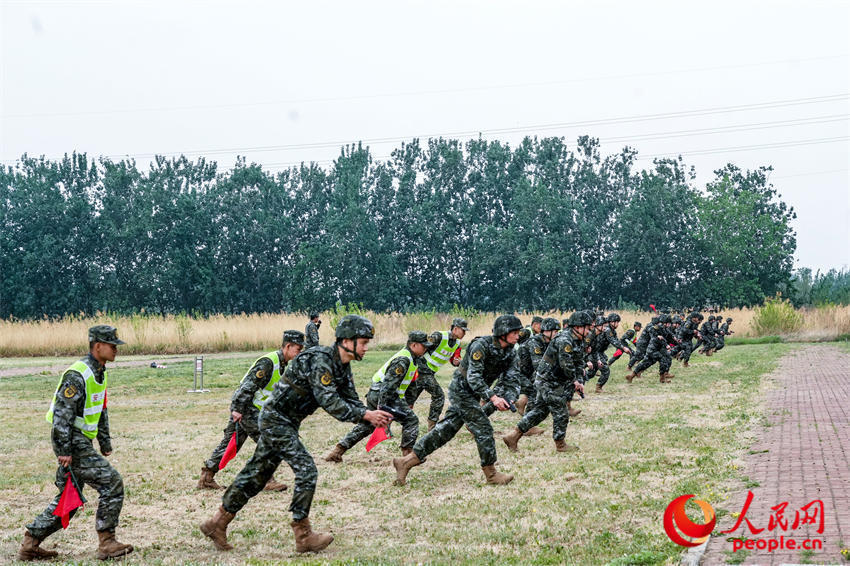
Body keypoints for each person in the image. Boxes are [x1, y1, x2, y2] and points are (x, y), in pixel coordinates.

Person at [200, 315, 392, 554]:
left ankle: (217, 522)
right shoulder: (321, 360)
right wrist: (365, 416)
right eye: (363, 342)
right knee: (306, 470)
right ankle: (303, 534)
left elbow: (350, 399)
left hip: (284, 422)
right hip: (276, 420)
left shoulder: (341, 366)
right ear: (346, 340)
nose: (366, 347)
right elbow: (329, 401)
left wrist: (372, 413)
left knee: (257, 474)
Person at [19, 325, 134, 561]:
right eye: (112, 345)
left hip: (83, 442)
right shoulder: (77, 374)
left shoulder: (100, 372)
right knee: (112, 483)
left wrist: (105, 441)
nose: (115, 349)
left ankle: (31, 542)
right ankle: (107, 542)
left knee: (69, 501)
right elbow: (61, 416)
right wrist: (63, 451)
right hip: (73, 442)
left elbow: (100, 409)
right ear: (97, 346)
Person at [391, 315, 523, 487]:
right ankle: (491, 474)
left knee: (445, 430)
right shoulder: (481, 346)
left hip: (473, 394)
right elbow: (473, 377)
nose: (518, 336)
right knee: (483, 428)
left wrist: (510, 399)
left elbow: (513, 379)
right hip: (461, 390)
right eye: (514, 332)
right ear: (503, 333)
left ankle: (406, 462)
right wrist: (493, 397)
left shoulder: (511, 352)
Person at [197, 330, 306, 491]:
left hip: (253, 409)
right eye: (298, 349)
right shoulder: (269, 363)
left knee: (230, 444)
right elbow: (247, 386)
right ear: (288, 346)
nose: (299, 353)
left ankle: (206, 477)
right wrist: (237, 409)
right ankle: (266, 480)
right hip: (247, 408)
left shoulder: (282, 364)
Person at [325, 331, 432, 461]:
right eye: (423, 346)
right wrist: (382, 407)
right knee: (411, 420)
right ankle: (408, 455)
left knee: (368, 425)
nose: (426, 348)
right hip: (383, 394)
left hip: (376, 393)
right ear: (413, 345)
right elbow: (388, 386)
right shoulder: (403, 360)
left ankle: (338, 451)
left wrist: (408, 402)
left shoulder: (412, 359)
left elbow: (409, 384)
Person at [502, 310, 593, 454]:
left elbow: (578, 362)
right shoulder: (565, 340)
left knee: (540, 412)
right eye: (587, 328)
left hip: (553, 381)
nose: (589, 331)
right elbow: (566, 364)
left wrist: (580, 380)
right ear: (578, 327)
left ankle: (513, 436)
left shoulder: (578, 340)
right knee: (561, 412)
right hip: (547, 380)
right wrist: (575, 380)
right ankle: (560, 444)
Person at [405, 318, 468, 431]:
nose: (464, 333)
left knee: (409, 399)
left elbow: (454, 359)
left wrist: (457, 362)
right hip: (422, 368)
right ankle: (432, 427)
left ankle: (387, 424)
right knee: (439, 396)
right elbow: (421, 347)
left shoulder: (457, 344)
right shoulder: (439, 336)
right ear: (455, 329)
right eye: (463, 330)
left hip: (430, 372)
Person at [511, 317, 562, 430]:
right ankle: (527, 426)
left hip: (525, 374)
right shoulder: (535, 342)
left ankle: (527, 424)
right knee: (534, 391)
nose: (557, 334)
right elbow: (539, 366)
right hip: (515, 373)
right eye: (555, 331)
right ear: (546, 331)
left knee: (533, 392)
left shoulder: (549, 342)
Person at [587, 313, 633, 393]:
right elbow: (613, 341)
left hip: (597, 352)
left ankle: (577, 382)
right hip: (595, 352)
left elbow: (616, 340)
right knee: (605, 370)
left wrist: (623, 347)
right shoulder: (608, 330)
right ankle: (598, 387)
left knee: (591, 373)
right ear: (611, 322)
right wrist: (623, 348)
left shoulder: (611, 331)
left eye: (618, 322)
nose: (618, 324)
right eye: (616, 322)